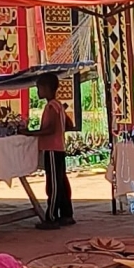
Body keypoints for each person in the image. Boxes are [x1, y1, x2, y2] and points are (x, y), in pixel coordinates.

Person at [31, 72, 75, 229]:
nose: (38, 92)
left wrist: (30, 132)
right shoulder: (59, 106)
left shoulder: (51, 107)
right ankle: (66, 214)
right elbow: (69, 125)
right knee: (61, 181)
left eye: (39, 88)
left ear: (46, 88)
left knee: (53, 185)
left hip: (52, 149)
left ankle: (51, 217)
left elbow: (49, 129)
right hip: (59, 147)